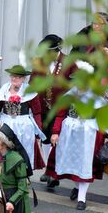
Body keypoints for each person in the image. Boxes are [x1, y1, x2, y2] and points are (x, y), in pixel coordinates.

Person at [45, 90, 107, 210]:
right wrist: (55, 132)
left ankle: (81, 198)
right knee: (71, 163)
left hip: (88, 133)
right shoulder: (69, 95)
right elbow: (60, 114)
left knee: (85, 165)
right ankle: (78, 188)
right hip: (69, 132)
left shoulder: (96, 97)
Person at [0, 65, 45, 172]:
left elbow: (37, 113)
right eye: (12, 76)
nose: (14, 78)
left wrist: (38, 133)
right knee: (2, 147)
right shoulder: (4, 89)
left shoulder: (30, 91)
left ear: (23, 78)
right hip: (5, 123)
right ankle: (2, 172)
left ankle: (23, 174)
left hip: (23, 126)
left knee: (23, 149)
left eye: (17, 77)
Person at [31, 34, 66, 186]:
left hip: (61, 109)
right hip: (43, 107)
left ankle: (55, 172)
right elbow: (32, 83)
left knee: (57, 138)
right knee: (45, 138)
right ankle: (48, 170)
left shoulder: (68, 62)